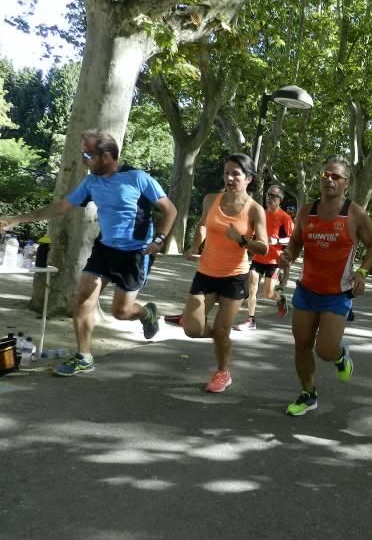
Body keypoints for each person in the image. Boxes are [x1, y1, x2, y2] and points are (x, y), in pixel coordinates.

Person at [0, 129, 176, 376]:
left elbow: (170, 210)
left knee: (121, 312)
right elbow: (62, 206)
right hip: (104, 249)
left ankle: (146, 313)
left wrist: (159, 240)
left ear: (106, 155)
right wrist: (19, 219)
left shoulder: (138, 178)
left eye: (88, 154)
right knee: (82, 297)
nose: (84, 160)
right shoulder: (92, 182)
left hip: (136, 253)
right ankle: (84, 356)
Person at [279, 155, 372, 416]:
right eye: (326, 175)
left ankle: (340, 355)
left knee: (324, 350)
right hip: (307, 290)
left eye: (336, 177)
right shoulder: (306, 211)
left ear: (346, 183)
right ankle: (308, 394)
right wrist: (289, 254)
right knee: (301, 344)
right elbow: (296, 243)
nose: (329, 180)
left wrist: (362, 272)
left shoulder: (355, 213)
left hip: (337, 294)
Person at [181, 154, 268, 393]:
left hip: (234, 276)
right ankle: (222, 337)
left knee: (221, 329)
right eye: (226, 172)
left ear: (248, 179)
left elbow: (264, 247)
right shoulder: (211, 199)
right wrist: (195, 245)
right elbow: (202, 223)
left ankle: (223, 371)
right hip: (206, 272)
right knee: (192, 329)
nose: (229, 178)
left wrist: (241, 239)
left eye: (236, 174)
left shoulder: (255, 210)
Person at [234, 184, 294, 330]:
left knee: (268, 293)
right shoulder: (261, 213)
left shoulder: (285, 217)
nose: (269, 198)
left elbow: (293, 239)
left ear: (280, 200)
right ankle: (251, 320)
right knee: (252, 286)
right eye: (268, 194)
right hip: (258, 258)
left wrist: (277, 241)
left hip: (274, 261)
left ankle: (280, 298)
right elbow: (252, 232)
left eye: (273, 196)